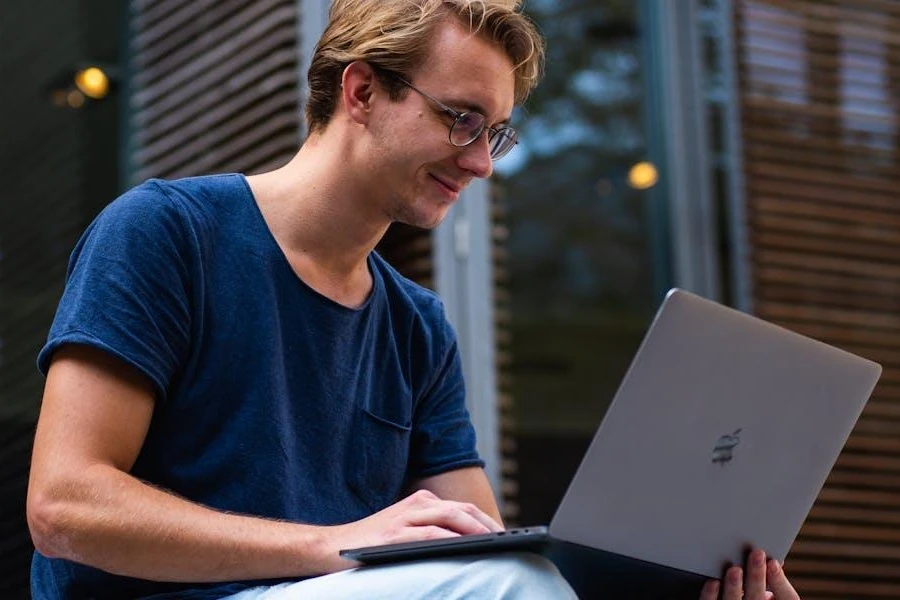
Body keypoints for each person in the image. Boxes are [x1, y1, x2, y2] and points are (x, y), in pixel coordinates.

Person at [25, 0, 800, 598]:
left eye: (495, 133)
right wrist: (334, 543)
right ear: (362, 90)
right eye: (462, 119)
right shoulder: (167, 234)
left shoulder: (417, 326)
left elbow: (481, 545)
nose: (480, 163)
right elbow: (64, 509)